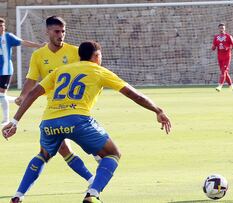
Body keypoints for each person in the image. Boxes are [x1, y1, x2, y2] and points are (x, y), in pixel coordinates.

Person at [3, 41, 171, 203]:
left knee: (43, 155)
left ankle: (18, 195)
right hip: (77, 120)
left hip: (49, 121)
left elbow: (33, 93)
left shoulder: (60, 70)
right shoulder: (99, 71)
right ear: (96, 56)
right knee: (112, 154)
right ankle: (93, 194)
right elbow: (135, 95)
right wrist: (157, 110)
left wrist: (15, 121)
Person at [11, 16, 95, 202]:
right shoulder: (38, 55)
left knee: (48, 152)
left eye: (63, 31)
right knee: (63, 150)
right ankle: (93, 178)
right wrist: (24, 96)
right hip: (54, 109)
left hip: (74, 109)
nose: (61, 35)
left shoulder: (75, 52)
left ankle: (19, 195)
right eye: (57, 31)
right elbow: (31, 80)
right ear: (47, 32)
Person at [0, 17, 43, 125]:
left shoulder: (8, 37)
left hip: (5, 70)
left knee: (1, 94)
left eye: (3, 26)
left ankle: (6, 120)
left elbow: (23, 42)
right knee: (1, 96)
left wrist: (39, 45)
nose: (2, 28)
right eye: (0, 26)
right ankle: (17, 100)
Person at [211, 23, 233, 92]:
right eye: (220, 28)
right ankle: (231, 86)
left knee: (224, 71)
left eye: (223, 28)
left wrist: (228, 47)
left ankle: (220, 86)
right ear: (218, 29)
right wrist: (213, 47)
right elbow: (213, 47)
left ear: (225, 29)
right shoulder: (216, 37)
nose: (221, 29)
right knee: (224, 72)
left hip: (227, 57)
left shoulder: (228, 36)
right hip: (220, 57)